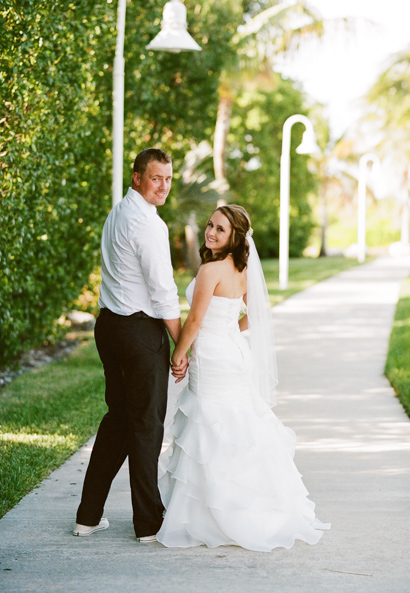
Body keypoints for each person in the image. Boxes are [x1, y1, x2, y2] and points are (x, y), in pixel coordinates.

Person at [156, 204, 329, 552]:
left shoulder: (211, 270)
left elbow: (194, 322)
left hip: (212, 357)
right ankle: (255, 505)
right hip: (234, 353)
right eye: (210, 225)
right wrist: (231, 330)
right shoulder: (242, 269)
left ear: (235, 236)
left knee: (210, 425)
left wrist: (179, 354)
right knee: (239, 423)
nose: (211, 232)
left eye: (220, 229)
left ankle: (207, 514)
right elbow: (257, 314)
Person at [73, 148, 187, 542]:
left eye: (168, 179)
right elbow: (163, 292)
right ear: (137, 177)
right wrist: (181, 343)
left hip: (110, 328)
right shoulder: (147, 224)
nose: (163, 186)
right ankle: (149, 524)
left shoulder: (119, 212)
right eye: (156, 178)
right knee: (145, 426)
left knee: (119, 420)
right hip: (138, 333)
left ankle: (87, 516)